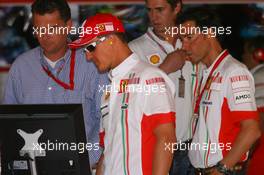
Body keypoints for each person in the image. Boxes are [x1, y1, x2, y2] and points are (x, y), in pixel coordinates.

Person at [3, 0, 108, 168]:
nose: (45, 35)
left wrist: (85, 161)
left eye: (52, 28)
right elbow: (9, 125)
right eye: (39, 28)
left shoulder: (92, 64)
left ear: (68, 26)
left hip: (83, 167)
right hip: (33, 168)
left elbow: (106, 121)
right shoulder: (20, 67)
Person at [68, 13, 176, 175]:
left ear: (111, 39)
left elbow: (166, 138)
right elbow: (108, 151)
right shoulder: (108, 92)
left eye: (90, 47)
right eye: (85, 50)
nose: (88, 56)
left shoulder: (149, 78)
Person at [178, 7, 261, 175]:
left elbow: (252, 130)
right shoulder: (206, 71)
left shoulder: (234, 72)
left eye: (189, 37)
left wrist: (222, 168)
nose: (184, 46)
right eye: (181, 39)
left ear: (209, 33)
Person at [129, 0, 201, 174]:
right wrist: (164, 69)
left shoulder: (192, 45)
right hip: (155, 147)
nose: (154, 17)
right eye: (149, 10)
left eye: (160, 10)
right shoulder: (134, 49)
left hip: (192, 148)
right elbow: (129, 101)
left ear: (177, 7)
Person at [241, 38, 264, 175]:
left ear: (258, 54)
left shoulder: (259, 76)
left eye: (245, 52)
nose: (243, 56)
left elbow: (261, 115)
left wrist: (247, 152)